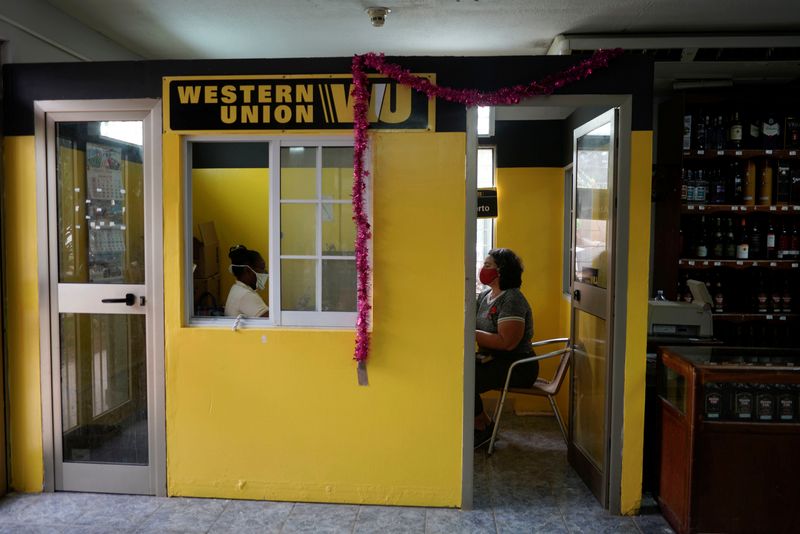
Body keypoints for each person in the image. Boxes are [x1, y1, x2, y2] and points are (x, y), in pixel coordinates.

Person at [474, 248, 537, 448]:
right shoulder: (485, 296)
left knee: (465, 380)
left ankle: (481, 428)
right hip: (492, 360)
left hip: (517, 365)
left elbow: (507, 343)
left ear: (501, 271)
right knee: (459, 373)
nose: (482, 269)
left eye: (487, 265)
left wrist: (470, 335)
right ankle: (484, 424)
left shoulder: (513, 299)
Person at [224, 244, 269, 318]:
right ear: (247, 271)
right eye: (262, 269)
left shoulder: (238, 289)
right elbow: (273, 323)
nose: (265, 273)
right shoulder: (245, 296)